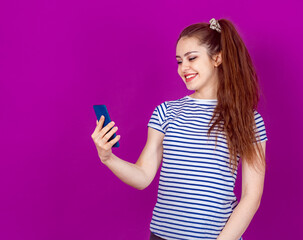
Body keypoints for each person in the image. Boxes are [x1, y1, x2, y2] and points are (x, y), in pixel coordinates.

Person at [91, 18, 268, 240]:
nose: (183, 68)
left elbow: (252, 196)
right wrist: (108, 157)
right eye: (178, 61)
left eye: (192, 58)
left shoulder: (248, 120)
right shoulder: (166, 112)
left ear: (217, 58)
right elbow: (143, 176)